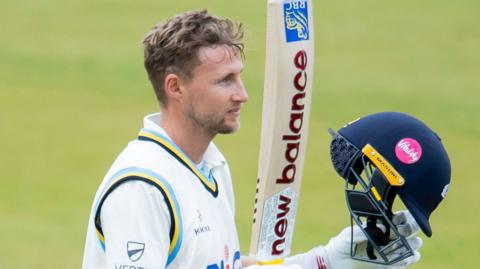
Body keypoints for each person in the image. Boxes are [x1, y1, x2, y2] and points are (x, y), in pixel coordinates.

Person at [82, 10, 423, 269]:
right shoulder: (142, 187)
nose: (243, 95)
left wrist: (327, 260)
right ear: (175, 87)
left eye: (239, 77)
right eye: (224, 81)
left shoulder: (209, 165)